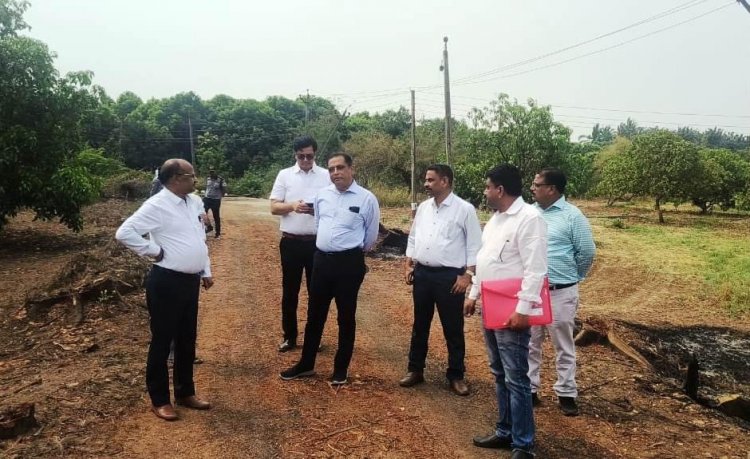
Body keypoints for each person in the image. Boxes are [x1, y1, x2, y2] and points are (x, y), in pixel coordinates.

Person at [115, 158, 214, 421]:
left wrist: (205, 269)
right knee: (162, 341)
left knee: (186, 339)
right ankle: (160, 399)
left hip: (190, 281)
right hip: (166, 281)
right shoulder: (157, 205)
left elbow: (199, 237)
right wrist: (154, 251)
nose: (196, 179)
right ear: (175, 179)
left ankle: (185, 392)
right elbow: (124, 232)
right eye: (191, 175)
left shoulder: (194, 202)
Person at [466, 164, 547, 459]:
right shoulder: (497, 220)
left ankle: (523, 444)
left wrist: (523, 309)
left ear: (500, 190)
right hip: (490, 304)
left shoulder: (529, 219)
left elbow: (535, 269)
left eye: (488, 187)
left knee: (516, 377)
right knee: (499, 372)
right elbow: (485, 260)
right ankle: (505, 430)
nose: (485, 192)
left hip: (512, 310)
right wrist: (474, 293)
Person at [280, 153, 380, 385]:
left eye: (341, 168)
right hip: (322, 262)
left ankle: (340, 368)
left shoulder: (366, 199)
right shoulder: (322, 196)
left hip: (349, 264)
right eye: (332, 169)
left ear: (351, 169)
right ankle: (306, 364)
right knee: (315, 315)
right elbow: (319, 225)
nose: (336, 173)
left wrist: (350, 251)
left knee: (346, 317)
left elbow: (371, 236)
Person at [399, 164, 482, 396]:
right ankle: (415, 370)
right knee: (420, 325)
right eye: (426, 180)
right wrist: (408, 263)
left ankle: (456, 375)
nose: (425, 184)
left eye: (430, 180)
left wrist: (468, 275)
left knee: (453, 328)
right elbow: (414, 237)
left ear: (444, 182)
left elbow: (475, 246)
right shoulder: (425, 208)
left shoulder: (464, 209)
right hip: (423, 274)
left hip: (449, 278)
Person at [528, 168, 595, 417]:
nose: (532, 188)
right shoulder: (530, 213)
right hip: (533, 291)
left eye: (537, 184)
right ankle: (530, 389)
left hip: (561, 291)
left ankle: (566, 393)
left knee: (563, 344)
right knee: (531, 342)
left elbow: (586, 253)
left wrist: (572, 278)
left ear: (552, 189)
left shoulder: (572, 216)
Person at [270, 135, 332, 352]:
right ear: (295, 155)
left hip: (317, 243)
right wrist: (292, 206)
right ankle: (290, 336)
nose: (306, 160)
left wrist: (318, 209)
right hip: (291, 242)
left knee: (318, 292)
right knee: (290, 291)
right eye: (301, 156)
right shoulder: (285, 175)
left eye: (310, 156)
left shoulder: (326, 175)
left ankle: (313, 338)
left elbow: (335, 203)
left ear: (315, 154)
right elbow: (274, 207)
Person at [203, 169, 226, 239]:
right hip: (207, 199)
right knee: (202, 214)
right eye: (210, 172)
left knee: (216, 216)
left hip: (215, 200)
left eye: (213, 172)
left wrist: (221, 196)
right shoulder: (208, 178)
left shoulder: (221, 180)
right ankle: (209, 227)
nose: (211, 173)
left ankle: (218, 233)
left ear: (216, 172)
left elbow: (224, 189)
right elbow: (207, 187)